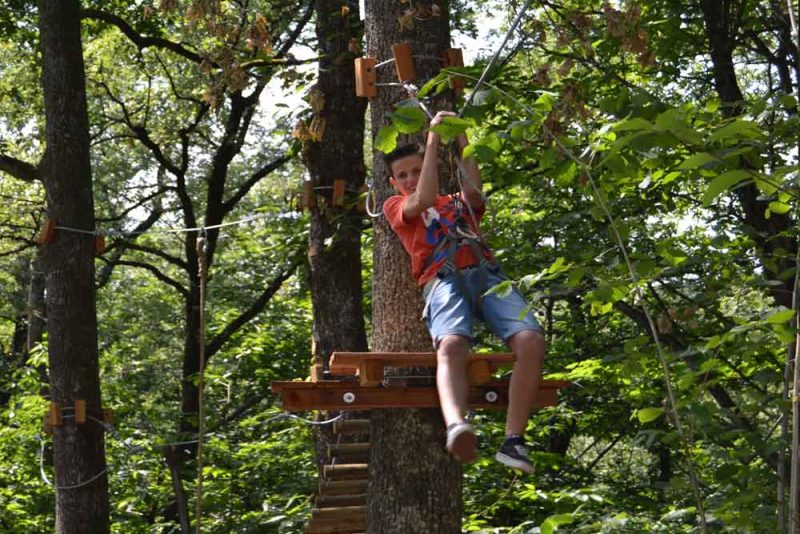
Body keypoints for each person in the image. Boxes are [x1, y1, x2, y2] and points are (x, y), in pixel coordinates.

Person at [382, 111, 546, 474]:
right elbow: (422, 198)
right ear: (394, 183)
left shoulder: (455, 202)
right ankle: (457, 424)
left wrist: (460, 135)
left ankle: (514, 441)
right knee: (452, 344)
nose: (410, 179)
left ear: (429, 169)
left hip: (485, 275)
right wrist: (432, 140)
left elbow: (474, 189)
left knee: (532, 341)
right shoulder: (396, 206)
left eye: (415, 170)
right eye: (402, 175)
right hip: (443, 279)